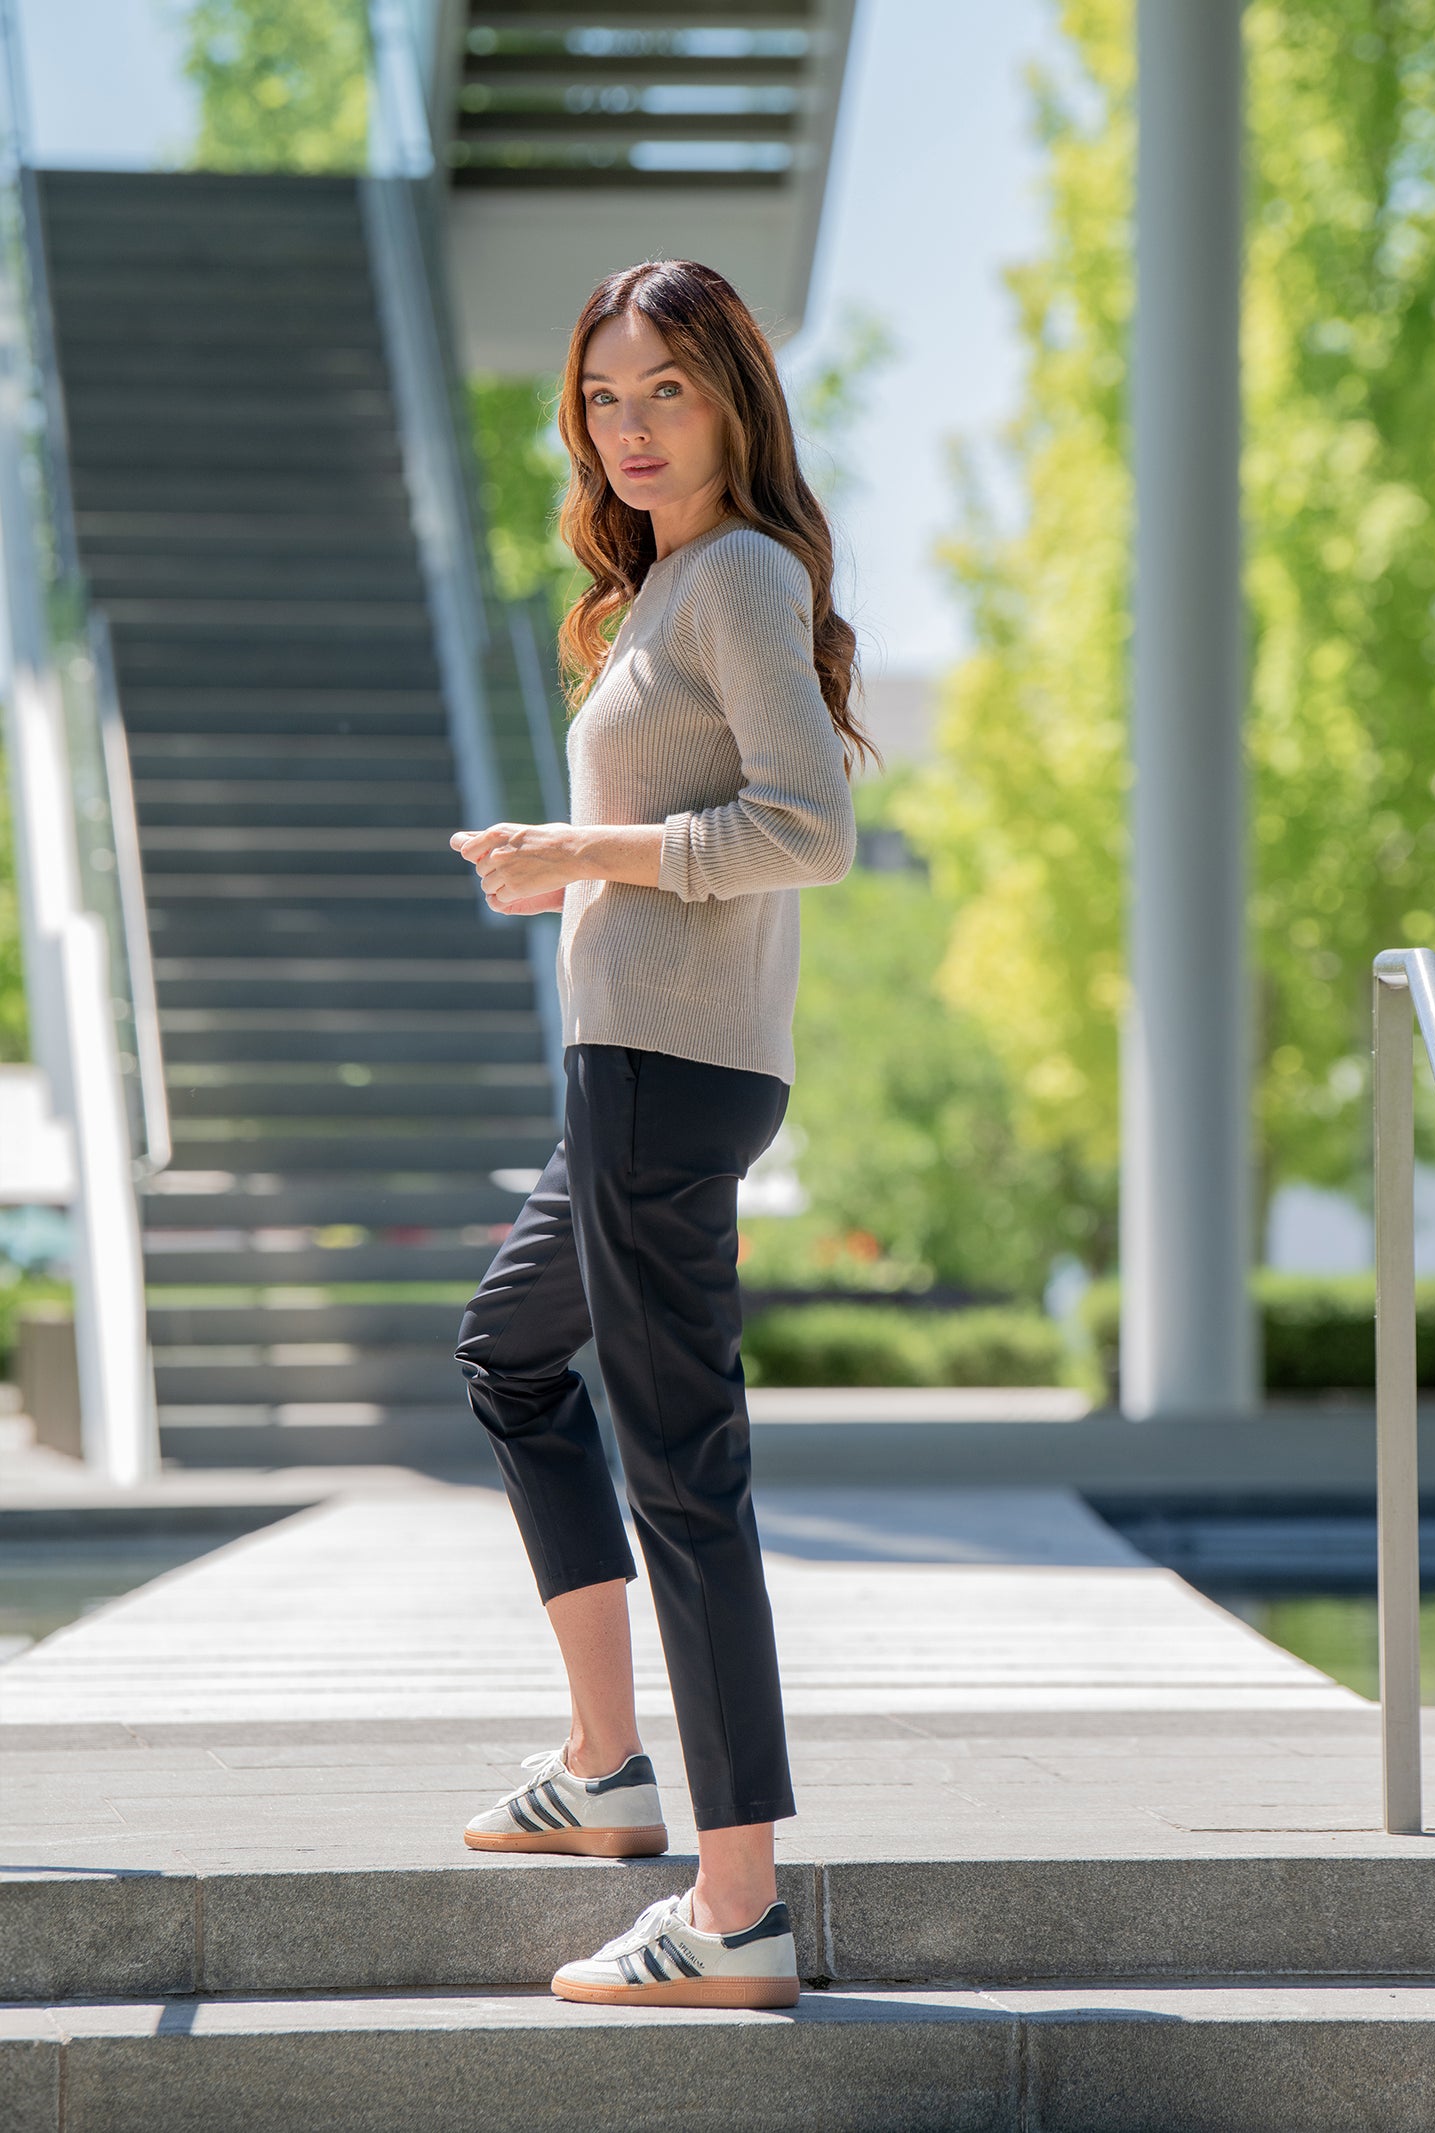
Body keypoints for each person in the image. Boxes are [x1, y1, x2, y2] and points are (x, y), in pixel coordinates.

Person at [449, 258, 874, 2011]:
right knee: (509, 1352)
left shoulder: (741, 577)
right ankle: (611, 1771)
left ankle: (739, 1903)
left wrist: (583, 852)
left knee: (685, 1471)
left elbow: (809, 827)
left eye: (664, 393)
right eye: (602, 400)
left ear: (732, 400)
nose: (627, 428)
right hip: (628, 1062)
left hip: (663, 1073)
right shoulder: (665, 591)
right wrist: (577, 865)